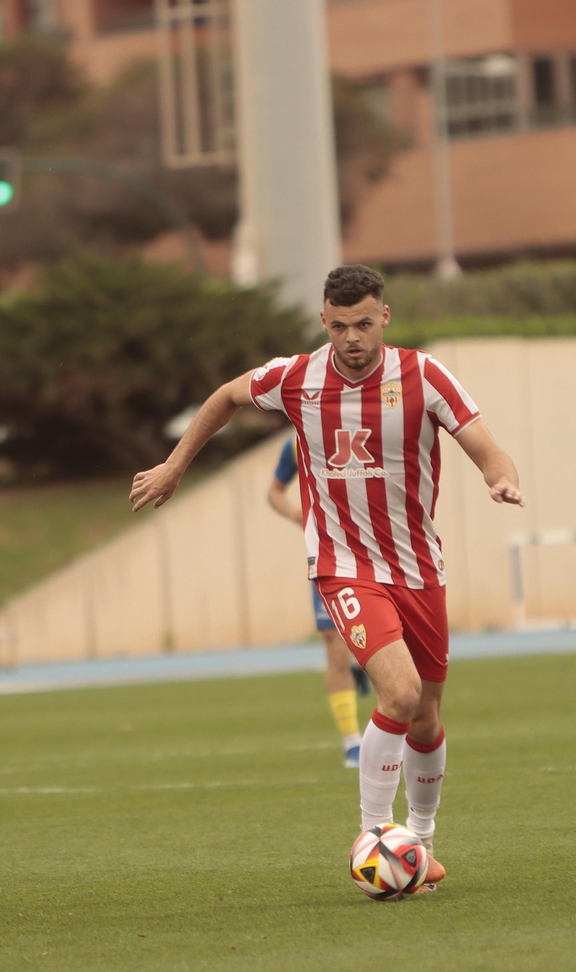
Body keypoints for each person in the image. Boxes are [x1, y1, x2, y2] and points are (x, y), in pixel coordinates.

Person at [133, 264, 524, 891]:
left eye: (364, 324)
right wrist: (176, 465)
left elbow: (485, 443)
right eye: (340, 326)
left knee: (425, 716)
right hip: (343, 566)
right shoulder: (298, 377)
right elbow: (227, 397)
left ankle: (420, 845)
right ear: (323, 321)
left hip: (418, 566)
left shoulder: (423, 376)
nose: (352, 339)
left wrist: (498, 477)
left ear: (385, 318)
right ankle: (372, 836)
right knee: (396, 695)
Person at [267, 435, 374, 769]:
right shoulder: (296, 444)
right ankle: (352, 744)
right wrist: (296, 515)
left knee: (386, 646)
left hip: (375, 554)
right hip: (326, 556)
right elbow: (273, 492)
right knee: (335, 647)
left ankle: (364, 672)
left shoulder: (364, 428)